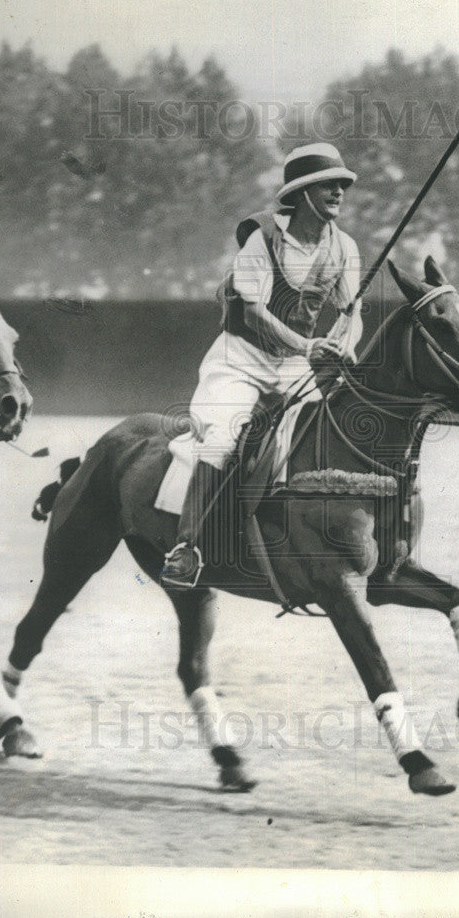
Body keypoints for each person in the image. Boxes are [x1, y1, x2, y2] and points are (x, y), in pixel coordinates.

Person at [161, 143, 364, 588]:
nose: (339, 192)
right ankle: (186, 547)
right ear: (304, 192)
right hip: (239, 360)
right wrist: (309, 346)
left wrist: (343, 348)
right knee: (223, 435)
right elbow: (253, 314)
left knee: (330, 431)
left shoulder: (344, 247)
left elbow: (352, 313)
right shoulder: (262, 238)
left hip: (294, 364)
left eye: (342, 185)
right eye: (329, 184)